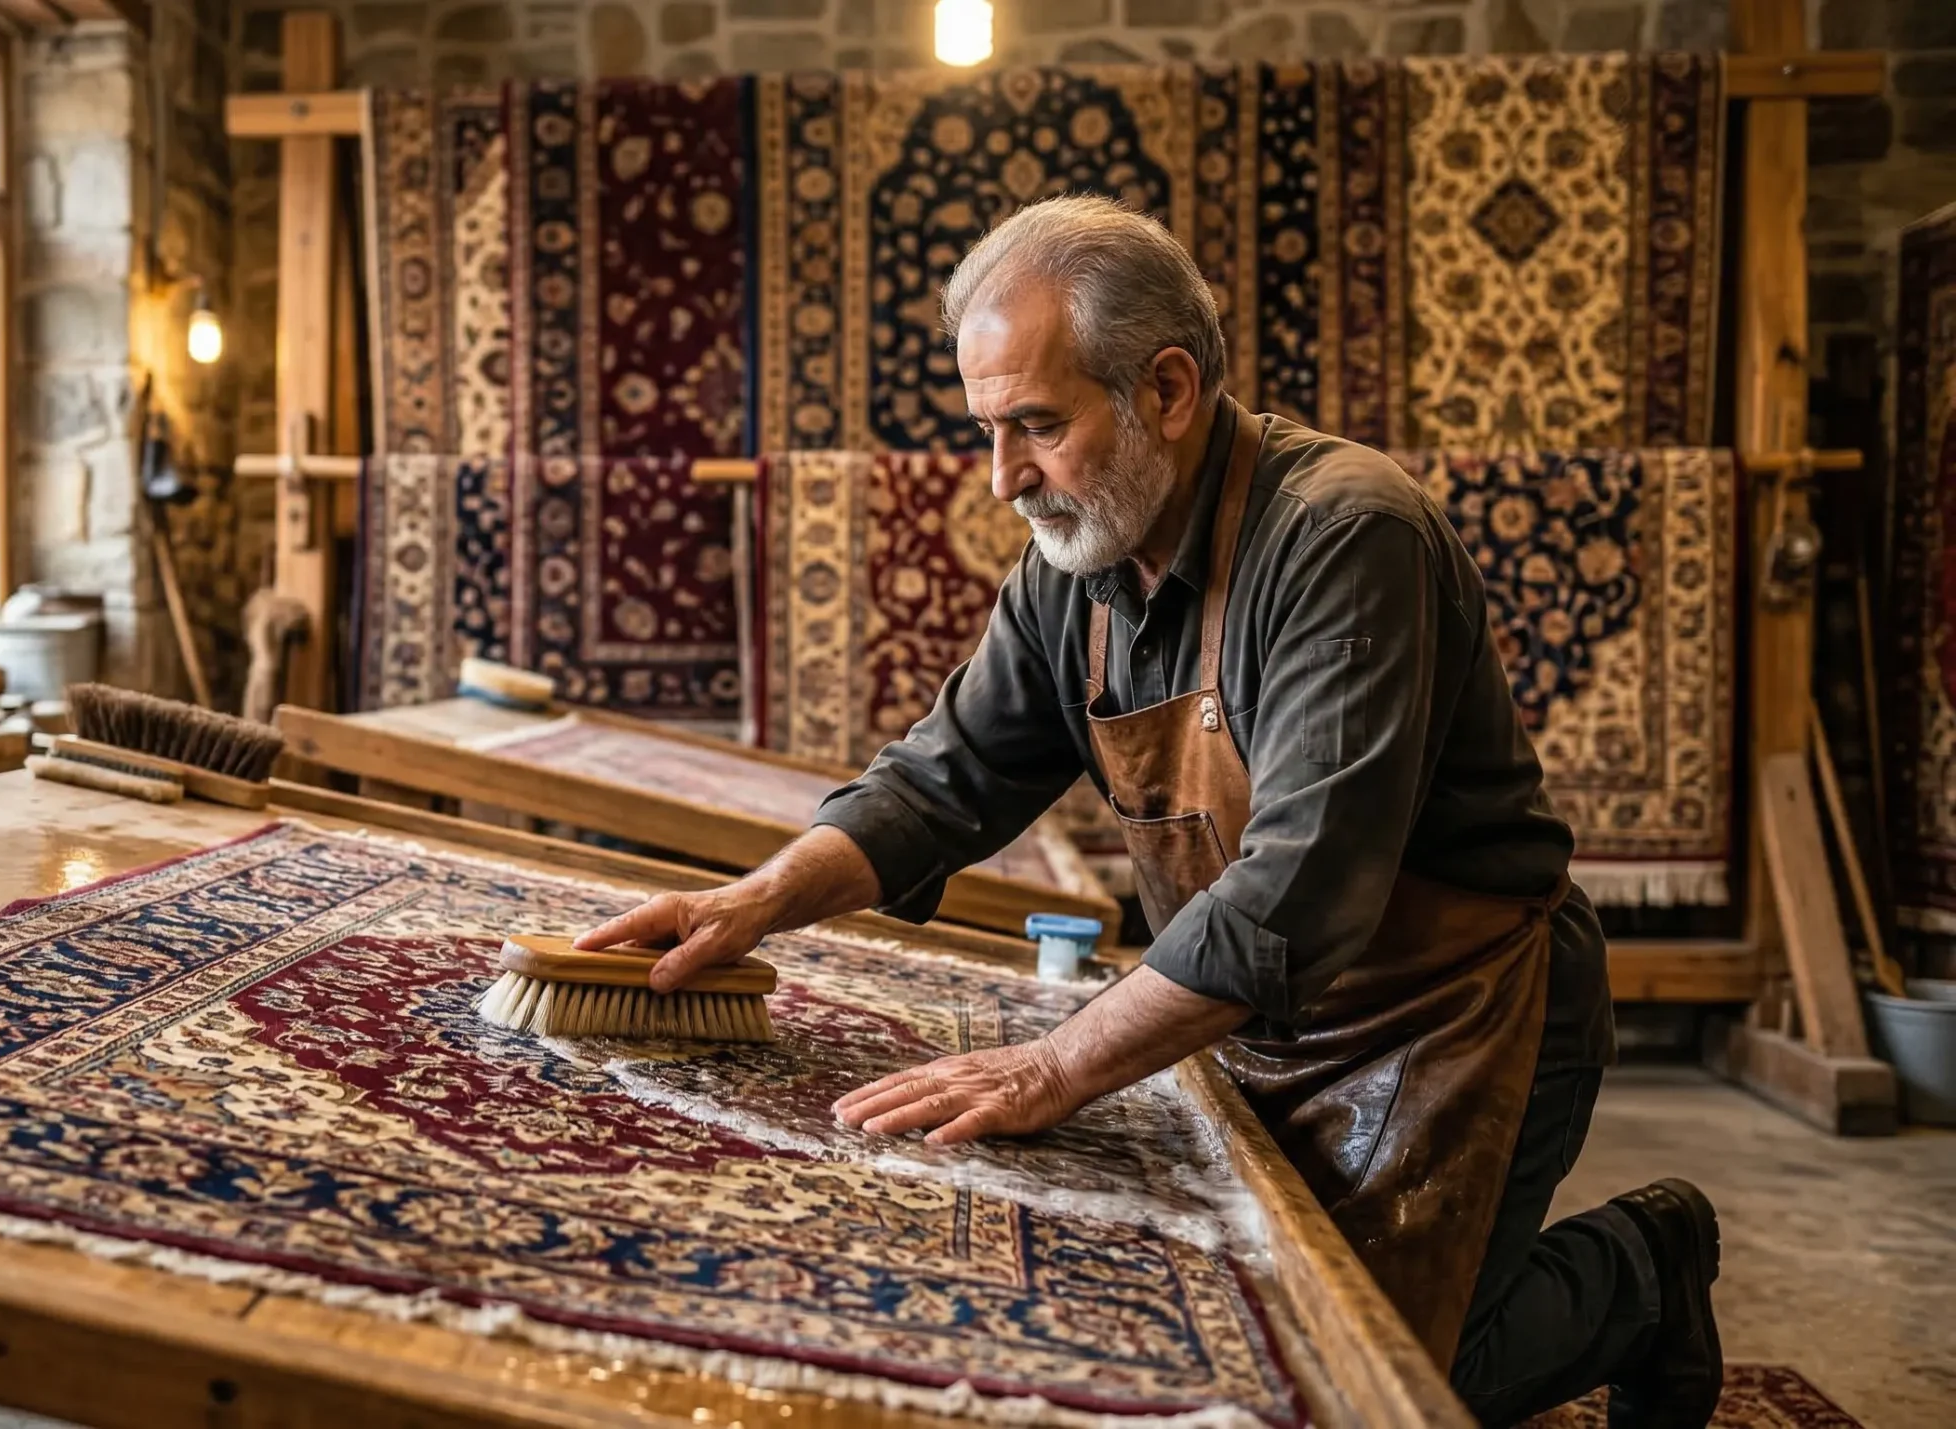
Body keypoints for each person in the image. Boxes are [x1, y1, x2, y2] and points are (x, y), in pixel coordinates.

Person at [578, 194, 1722, 1428]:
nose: (1005, 480)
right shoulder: (1074, 562)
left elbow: (1299, 889)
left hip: (1450, 1019)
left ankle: (1644, 1269)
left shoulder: (1346, 535)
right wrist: (753, 903)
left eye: (1038, 426)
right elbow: (943, 776)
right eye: (987, 431)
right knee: (1233, 1343)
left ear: (1166, 390)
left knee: (1365, 1394)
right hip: (1248, 1013)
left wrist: (1056, 1064)